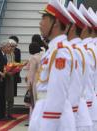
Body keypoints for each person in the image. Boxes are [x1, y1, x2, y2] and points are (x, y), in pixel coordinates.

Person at [29, 0, 77, 130]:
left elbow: (57, 92)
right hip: (44, 111)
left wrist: (48, 124)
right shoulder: (53, 50)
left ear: (55, 23)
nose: (40, 23)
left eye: (44, 18)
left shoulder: (60, 52)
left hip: (53, 118)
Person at [67, 2, 93, 131]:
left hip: (79, 108)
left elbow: (80, 83)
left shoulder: (78, 50)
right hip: (84, 105)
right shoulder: (84, 48)